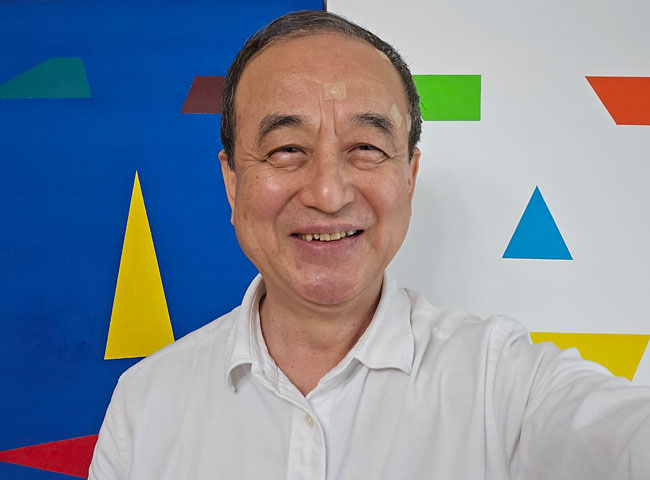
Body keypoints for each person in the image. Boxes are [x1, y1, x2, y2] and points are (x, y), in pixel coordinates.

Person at [88, 10, 650, 480]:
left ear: (409, 176)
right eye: (286, 149)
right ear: (232, 181)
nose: (328, 193)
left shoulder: (502, 381)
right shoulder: (145, 405)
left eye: (366, 148)